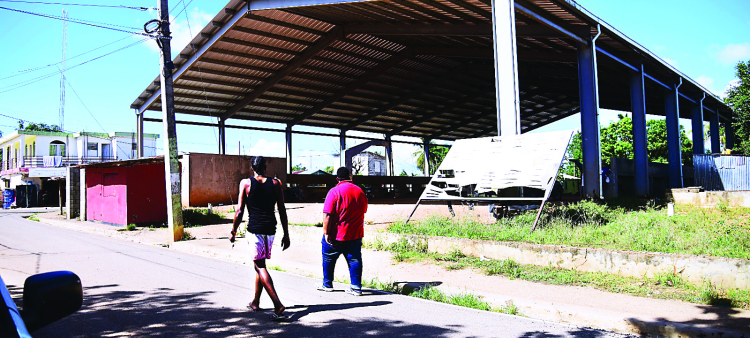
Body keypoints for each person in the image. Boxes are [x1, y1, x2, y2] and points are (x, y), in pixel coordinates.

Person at [230, 156, 290, 320]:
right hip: (271, 229)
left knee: (259, 266)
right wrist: (286, 233)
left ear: (252, 168)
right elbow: (282, 209)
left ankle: (277, 305)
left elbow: (239, 211)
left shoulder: (246, 183)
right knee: (260, 263)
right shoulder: (276, 184)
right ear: (265, 167)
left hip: (255, 230)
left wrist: (233, 231)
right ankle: (255, 302)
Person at [318, 167, 368, 296]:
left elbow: (328, 214)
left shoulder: (334, 192)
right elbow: (364, 210)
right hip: (355, 234)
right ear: (350, 177)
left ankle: (327, 284)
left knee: (328, 258)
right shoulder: (360, 192)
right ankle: (356, 287)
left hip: (337, 234)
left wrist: (326, 232)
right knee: (355, 260)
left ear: (337, 178)